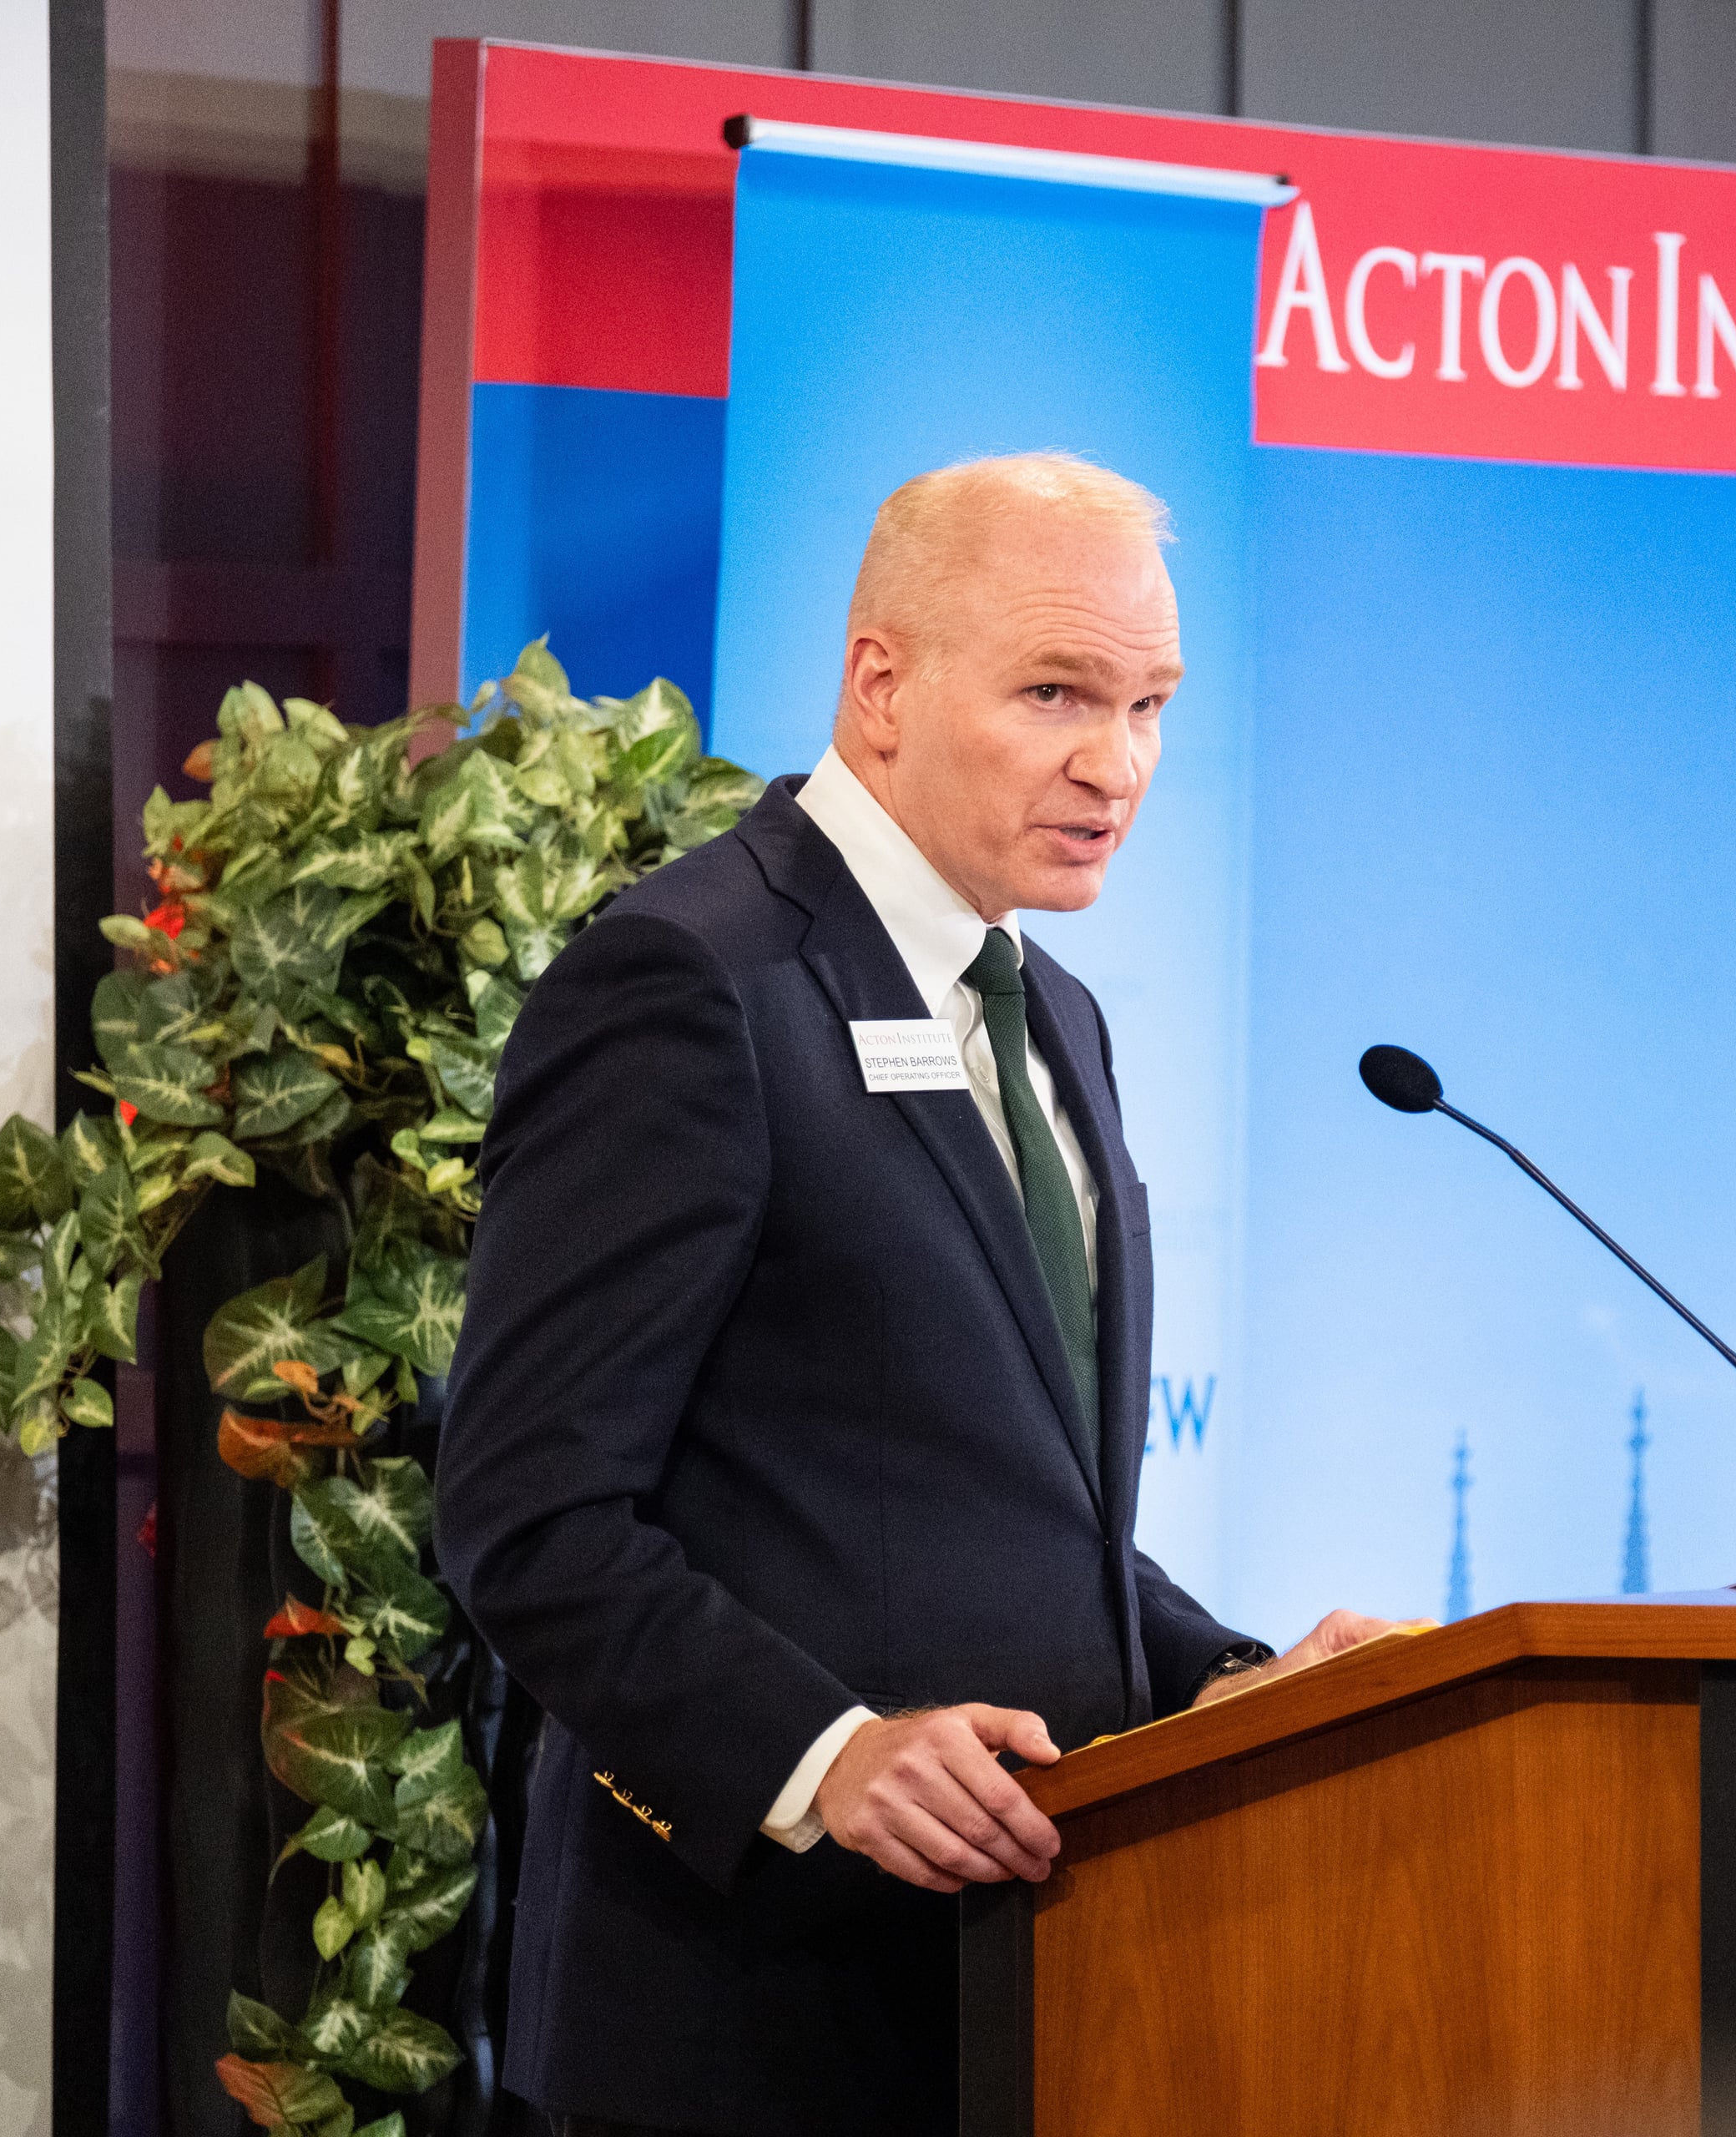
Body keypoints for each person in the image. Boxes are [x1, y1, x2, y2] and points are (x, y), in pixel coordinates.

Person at [437, 453, 1402, 2135]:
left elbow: (1008, 1500)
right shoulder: (689, 981)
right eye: (1057, 694)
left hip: (1029, 1994)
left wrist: (1225, 1681)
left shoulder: (1058, 1012)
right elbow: (528, 1513)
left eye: (1151, 705)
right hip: (748, 2024)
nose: (1118, 764)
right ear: (879, 686)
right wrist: (826, 1754)